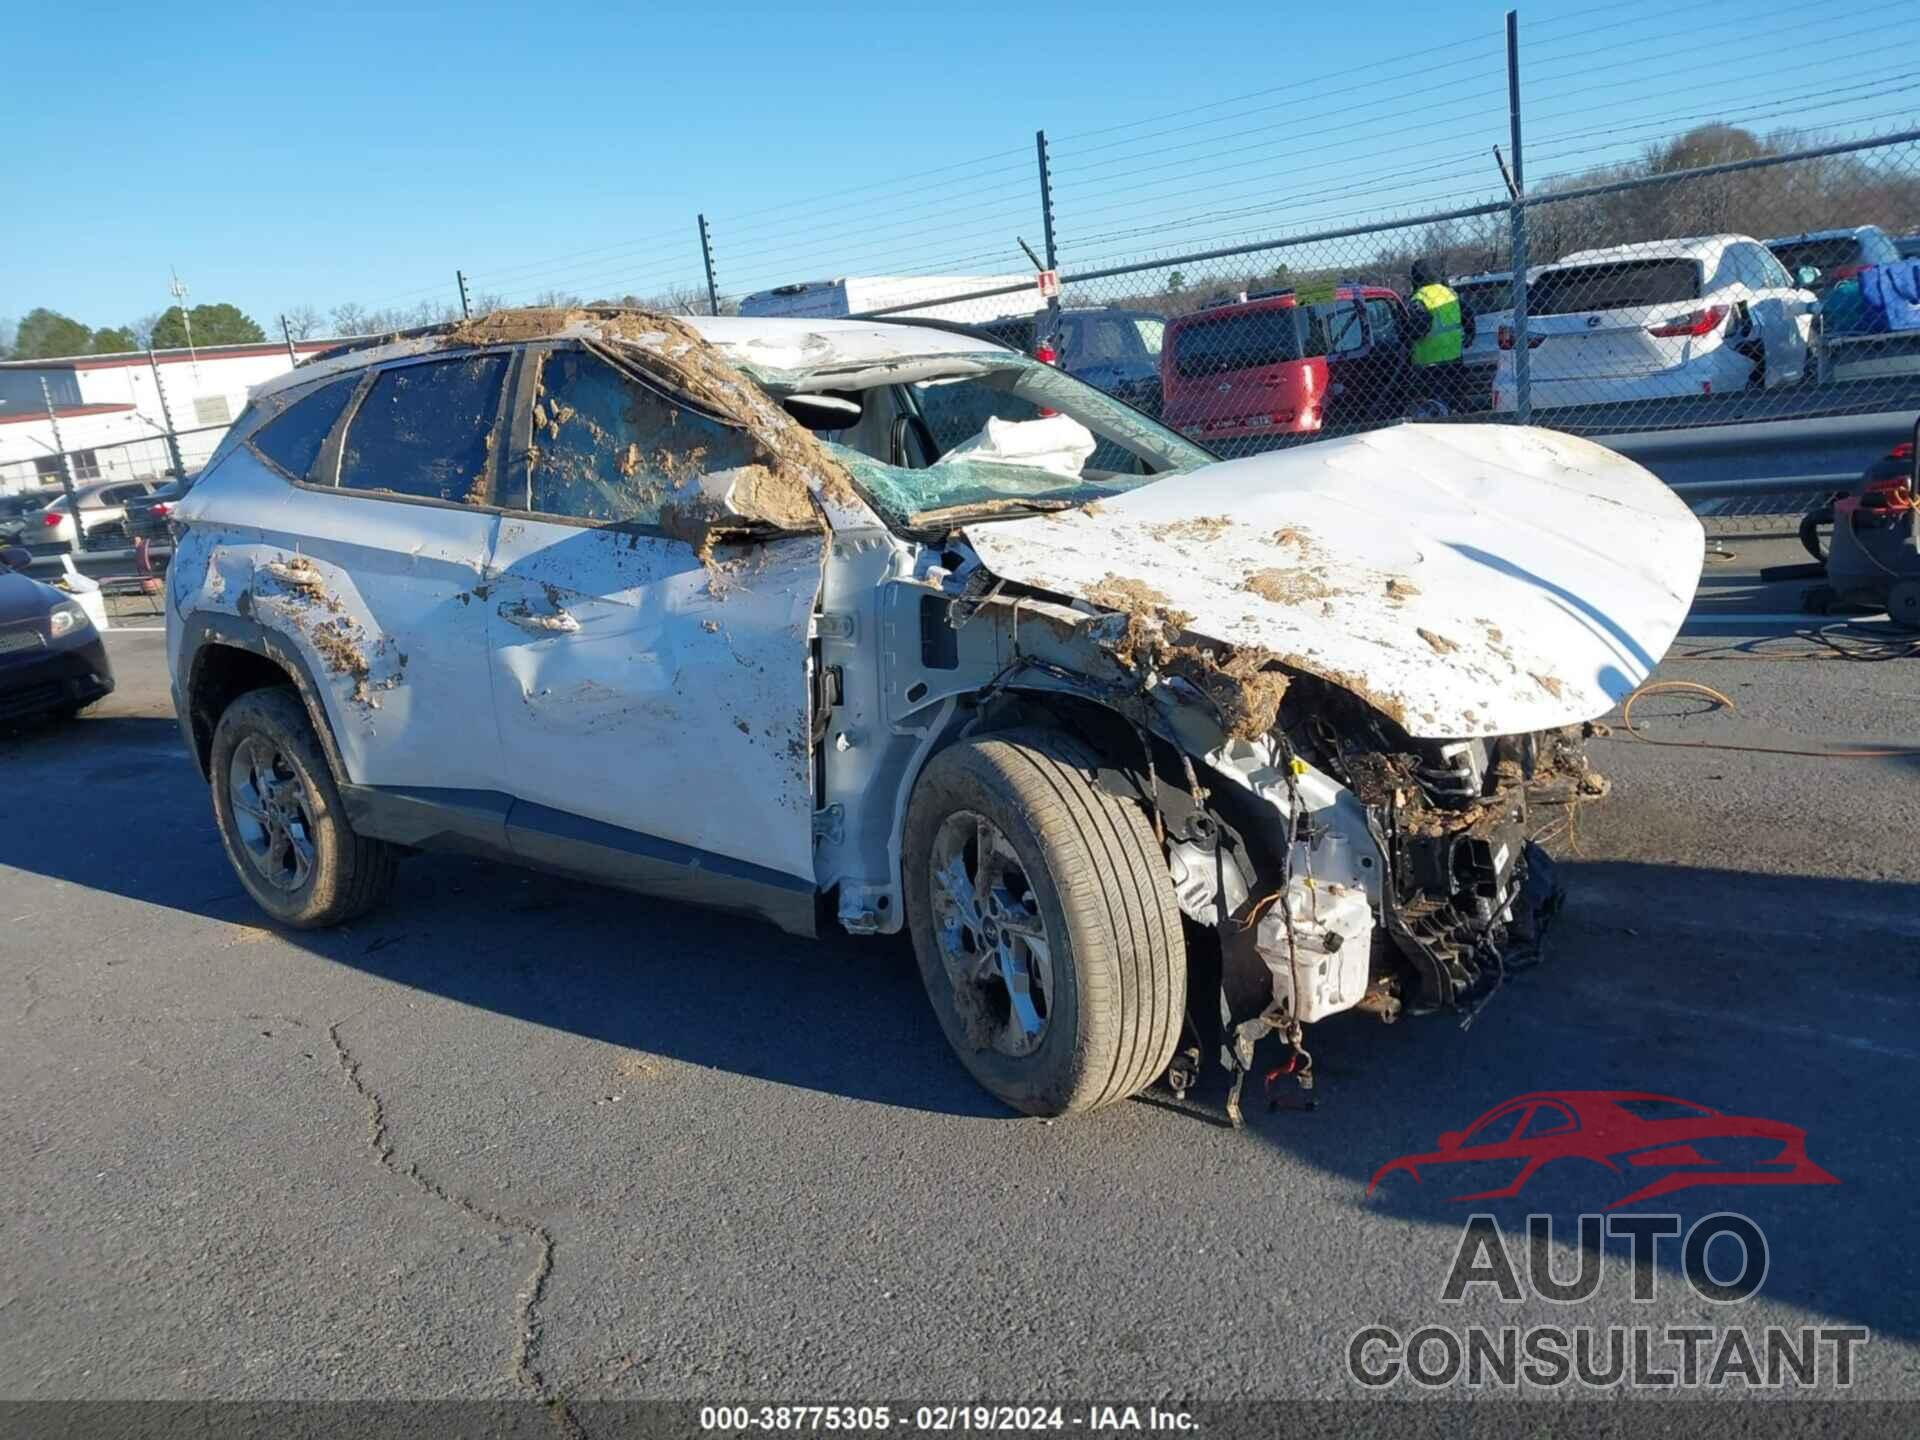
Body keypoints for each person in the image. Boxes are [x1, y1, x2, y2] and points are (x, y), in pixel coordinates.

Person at [1404, 259, 1475, 414]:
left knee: (1434, 409)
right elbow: (1468, 315)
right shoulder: (1450, 293)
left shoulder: (1419, 298)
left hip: (1428, 365)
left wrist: (1405, 333)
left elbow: (1418, 330)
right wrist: (1469, 335)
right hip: (1454, 360)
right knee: (1456, 403)